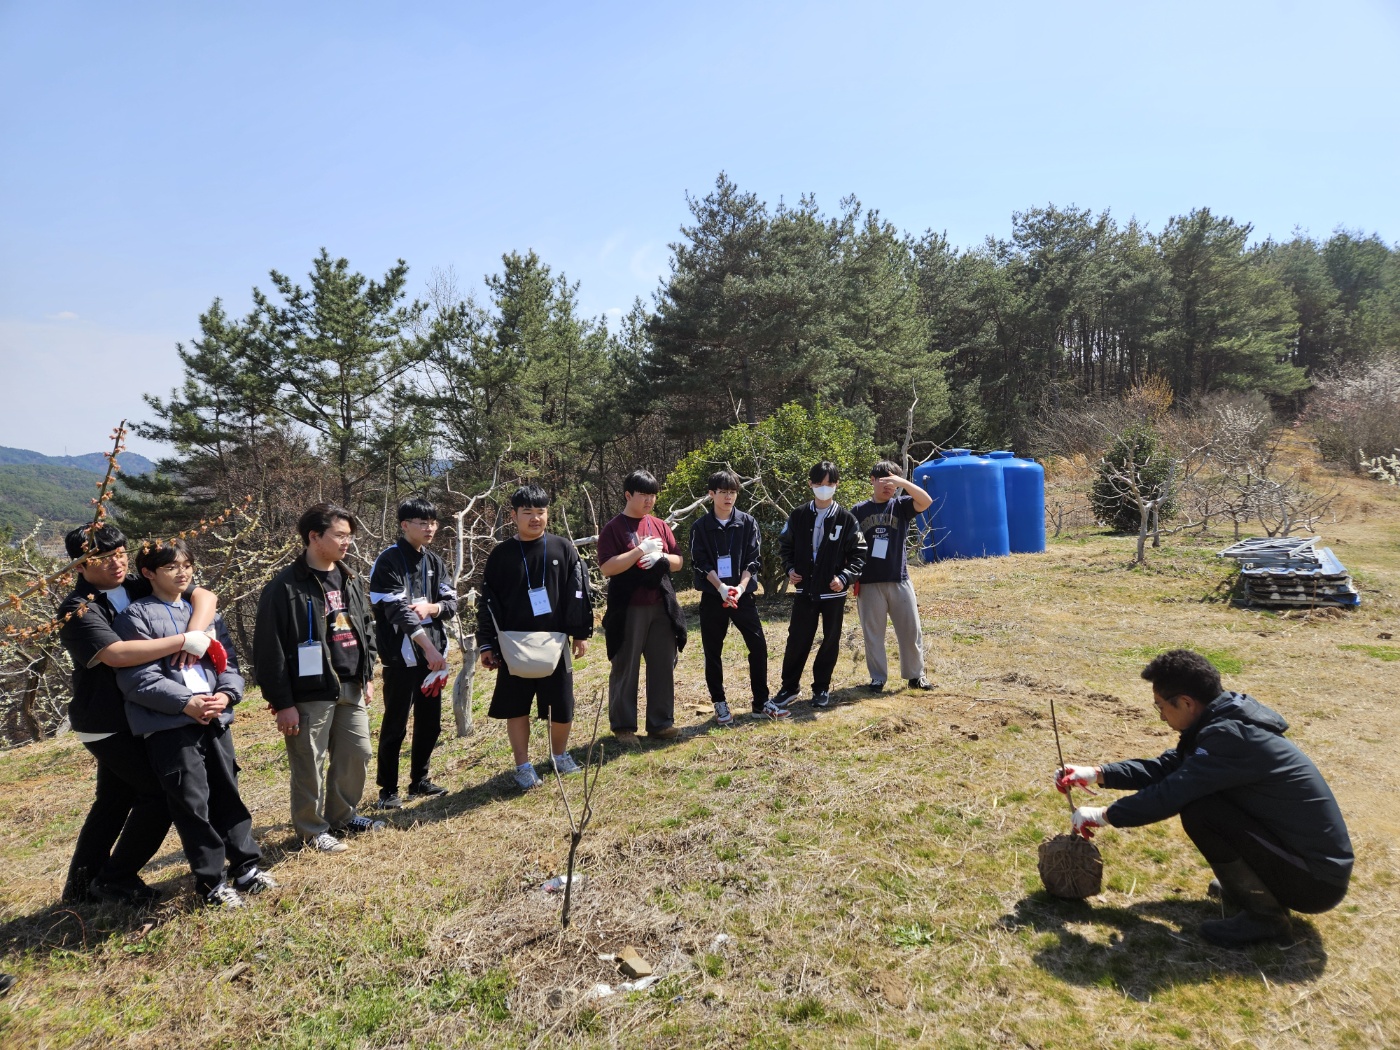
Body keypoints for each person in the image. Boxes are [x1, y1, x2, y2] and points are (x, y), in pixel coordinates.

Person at [1058, 649, 1353, 947]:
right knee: (1205, 806)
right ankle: (1250, 890)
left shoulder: (1231, 738)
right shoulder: (1223, 722)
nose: (1160, 715)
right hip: (1303, 864)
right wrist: (1096, 773)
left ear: (1186, 703)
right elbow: (1168, 768)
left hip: (1315, 881)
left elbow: (1172, 792)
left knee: (1202, 810)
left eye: (1160, 706)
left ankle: (1266, 918)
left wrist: (1103, 816)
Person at [57, 523, 219, 905]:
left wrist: (195, 636)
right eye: (102, 557)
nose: (116, 562)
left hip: (140, 712)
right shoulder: (77, 608)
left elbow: (205, 596)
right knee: (158, 794)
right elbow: (116, 655)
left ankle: (81, 888)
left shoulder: (136, 585)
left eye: (120, 553)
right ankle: (116, 878)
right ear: (79, 566)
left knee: (113, 801)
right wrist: (182, 641)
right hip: (106, 721)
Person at [115, 540, 276, 909]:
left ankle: (247, 868)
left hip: (215, 718)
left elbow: (228, 663)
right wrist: (185, 703)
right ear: (148, 573)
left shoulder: (202, 611)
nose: (183, 572)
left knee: (228, 794)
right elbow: (137, 679)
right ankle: (211, 884)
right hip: (170, 726)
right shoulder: (135, 617)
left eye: (187, 564)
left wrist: (227, 695)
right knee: (193, 804)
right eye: (171, 567)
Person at [254, 503, 383, 853]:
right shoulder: (284, 587)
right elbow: (269, 650)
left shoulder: (349, 577)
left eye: (349, 536)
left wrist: (367, 672)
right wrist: (283, 703)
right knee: (309, 762)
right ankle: (312, 830)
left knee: (357, 753)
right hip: (308, 690)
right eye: (340, 535)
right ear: (314, 537)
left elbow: (365, 627)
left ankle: (343, 815)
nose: (347, 543)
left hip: (350, 683)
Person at [477, 485, 594, 789]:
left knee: (563, 704)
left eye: (540, 512)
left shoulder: (562, 547)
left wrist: (580, 633)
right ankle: (523, 766)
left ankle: (560, 755)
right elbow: (487, 603)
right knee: (516, 707)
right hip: (513, 644)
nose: (535, 518)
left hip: (556, 642)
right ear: (513, 515)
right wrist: (487, 643)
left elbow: (578, 593)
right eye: (527, 512)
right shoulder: (501, 555)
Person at [369, 497, 458, 808]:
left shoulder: (435, 561)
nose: (430, 527)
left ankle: (419, 779)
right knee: (395, 722)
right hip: (401, 658)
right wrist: (429, 648)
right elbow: (399, 612)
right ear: (404, 525)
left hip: (433, 657)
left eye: (433, 522)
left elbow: (451, 602)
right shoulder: (388, 561)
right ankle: (388, 790)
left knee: (430, 722)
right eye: (422, 522)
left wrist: (432, 607)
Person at [689, 469, 787, 724]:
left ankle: (760, 702)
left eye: (732, 492)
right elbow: (699, 561)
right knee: (713, 651)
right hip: (713, 596)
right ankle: (719, 703)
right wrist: (721, 587)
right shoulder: (700, 527)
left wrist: (741, 588)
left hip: (742, 596)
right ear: (711, 494)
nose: (728, 497)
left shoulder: (747, 522)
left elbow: (753, 559)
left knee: (758, 646)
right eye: (723, 492)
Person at [597, 469, 686, 744]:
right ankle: (623, 727)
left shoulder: (660, 525)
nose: (649, 500)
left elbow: (679, 561)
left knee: (662, 664)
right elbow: (606, 568)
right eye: (643, 494)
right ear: (628, 495)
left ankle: (660, 723)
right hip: (628, 608)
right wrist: (639, 551)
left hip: (661, 605)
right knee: (626, 665)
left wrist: (661, 556)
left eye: (653, 495)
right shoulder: (614, 528)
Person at [774, 462, 867, 709]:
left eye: (829, 484)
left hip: (833, 592)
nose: (823, 488)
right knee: (798, 639)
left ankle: (821, 688)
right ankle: (789, 687)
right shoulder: (799, 515)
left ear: (836, 485)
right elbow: (785, 546)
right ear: (810, 485)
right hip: (805, 590)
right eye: (818, 484)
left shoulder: (846, 519)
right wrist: (790, 569)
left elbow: (859, 554)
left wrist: (845, 577)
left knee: (830, 640)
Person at [850, 460, 932, 693]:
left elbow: (926, 501)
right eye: (885, 481)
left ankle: (916, 676)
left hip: (899, 579)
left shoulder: (902, 505)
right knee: (873, 634)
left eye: (893, 483)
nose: (889, 487)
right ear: (872, 480)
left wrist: (903, 482)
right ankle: (877, 678)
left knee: (910, 631)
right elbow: (849, 544)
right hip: (868, 582)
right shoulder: (858, 510)